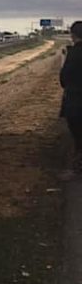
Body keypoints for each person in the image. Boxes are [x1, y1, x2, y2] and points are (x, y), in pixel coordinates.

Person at [61, 21, 82, 173]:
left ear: (73, 36)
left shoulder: (73, 53)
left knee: (77, 134)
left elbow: (64, 79)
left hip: (75, 101)